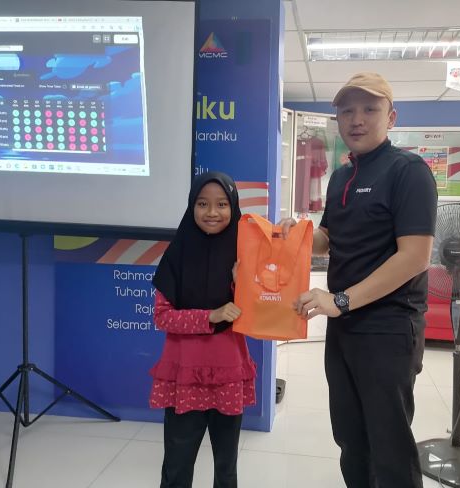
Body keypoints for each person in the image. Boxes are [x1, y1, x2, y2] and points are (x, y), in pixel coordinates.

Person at [280, 72, 437, 488]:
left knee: (389, 447)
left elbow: (415, 257)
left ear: (391, 117)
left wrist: (341, 300)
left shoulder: (409, 172)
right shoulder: (341, 177)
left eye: (369, 109)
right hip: (345, 327)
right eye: (347, 111)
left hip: (388, 327)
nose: (357, 119)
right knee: (351, 439)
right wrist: (296, 236)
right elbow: (328, 238)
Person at [149, 171, 256, 488]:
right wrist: (210, 316)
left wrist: (241, 283)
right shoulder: (176, 254)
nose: (212, 212)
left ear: (233, 207)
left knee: (226, 468)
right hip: (185, 374)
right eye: (202, 204)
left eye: (222, 204)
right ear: (191, 206)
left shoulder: (245, 253)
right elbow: (162, 317)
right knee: (177, 465)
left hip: (228, 373)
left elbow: (257, 313)